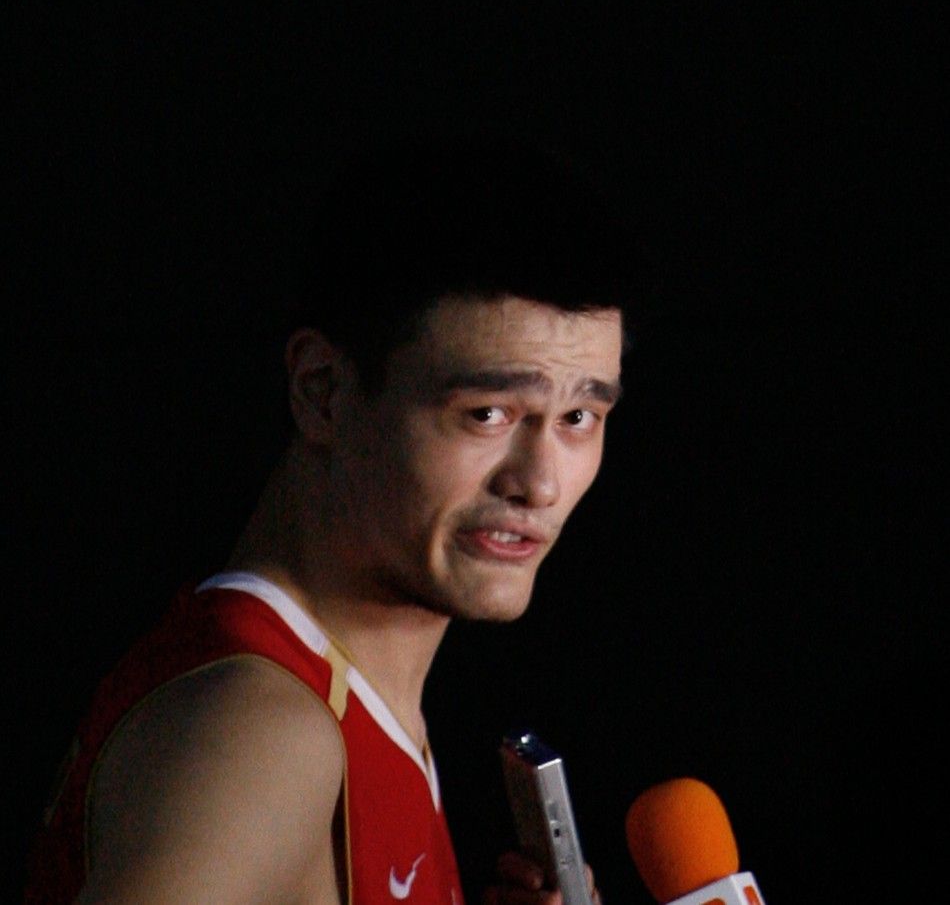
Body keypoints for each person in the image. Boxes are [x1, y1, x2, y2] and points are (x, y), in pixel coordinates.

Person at [25, 132, 644, 904]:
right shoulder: (263, 733)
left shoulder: (331, 697)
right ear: (323, 392)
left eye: (581, 416)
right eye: (487, 412)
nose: (541, 483)